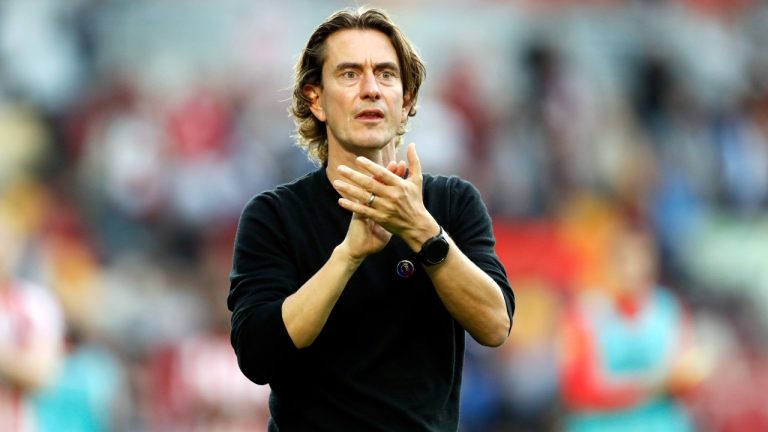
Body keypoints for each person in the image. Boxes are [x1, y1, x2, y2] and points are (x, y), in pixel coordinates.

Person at [227, 7, 515, 431]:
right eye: (348, 74)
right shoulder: (274, 216)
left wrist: (421, 230)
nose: (370, 90)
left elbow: (495, 325)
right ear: (316, 100)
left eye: (385, 74)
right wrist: (348, 256)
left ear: (407, 100)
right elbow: (257, 356)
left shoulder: (452, 203)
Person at [559, 221, 707, 432]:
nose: (632, 269)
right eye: (623, 259)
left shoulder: (669, 310)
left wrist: (690, 376)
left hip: (660, 423)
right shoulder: (586, 313)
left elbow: (687, 380)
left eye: (640, 259)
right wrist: (655, 384)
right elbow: (579, 389)